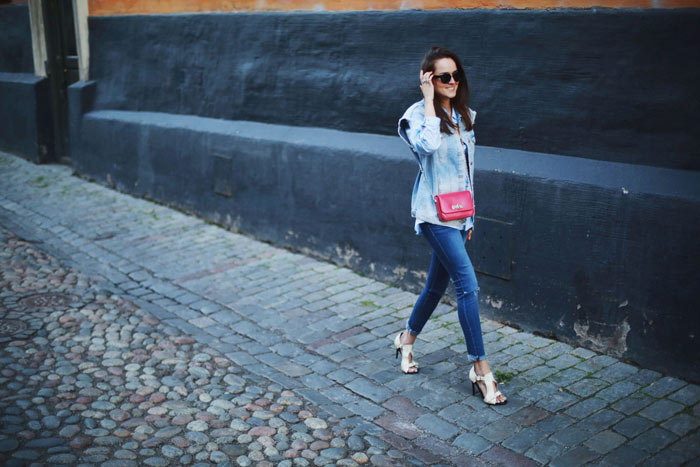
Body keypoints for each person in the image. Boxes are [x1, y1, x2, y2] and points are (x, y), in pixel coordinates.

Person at [395, 46, 507, 405]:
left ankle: (406, 340)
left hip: (459, 214)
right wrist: (429, 100)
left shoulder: (464, 116)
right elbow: (428, 147)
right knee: (467, 285)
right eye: (444, 76)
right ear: (429, 79)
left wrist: (470, 216)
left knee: (434, 286)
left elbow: (468, 171)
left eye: (456, 75)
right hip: (433, 214)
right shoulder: (415, 117)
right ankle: (480, 368)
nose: (452, 81)